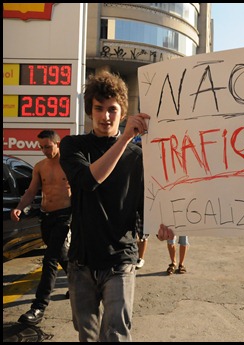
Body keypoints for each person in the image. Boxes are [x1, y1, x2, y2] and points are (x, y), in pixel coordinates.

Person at [59, 71, 150, 342]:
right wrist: (125, 140)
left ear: (123, 113)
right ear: (90, 110)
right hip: (81, 260)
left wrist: (164, 224)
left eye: (112, 109)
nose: (105, 116)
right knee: (87, 335)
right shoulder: (73, 145)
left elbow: (145, 207)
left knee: (117, 334)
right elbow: (88, 180)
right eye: (99, 108)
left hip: (120, 259)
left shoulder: (137, 156)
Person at [12, 130, 72, 326]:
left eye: (48, 146)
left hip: (65, 216)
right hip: (46, 217)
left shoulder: (69, 164)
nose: (44, 150)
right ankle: (79, 283)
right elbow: (31, 191)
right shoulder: (40, 167)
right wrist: (20, 208)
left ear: (57, 144)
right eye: (41, 147)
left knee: (50, 259)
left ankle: (38, 307)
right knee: (61, 255)